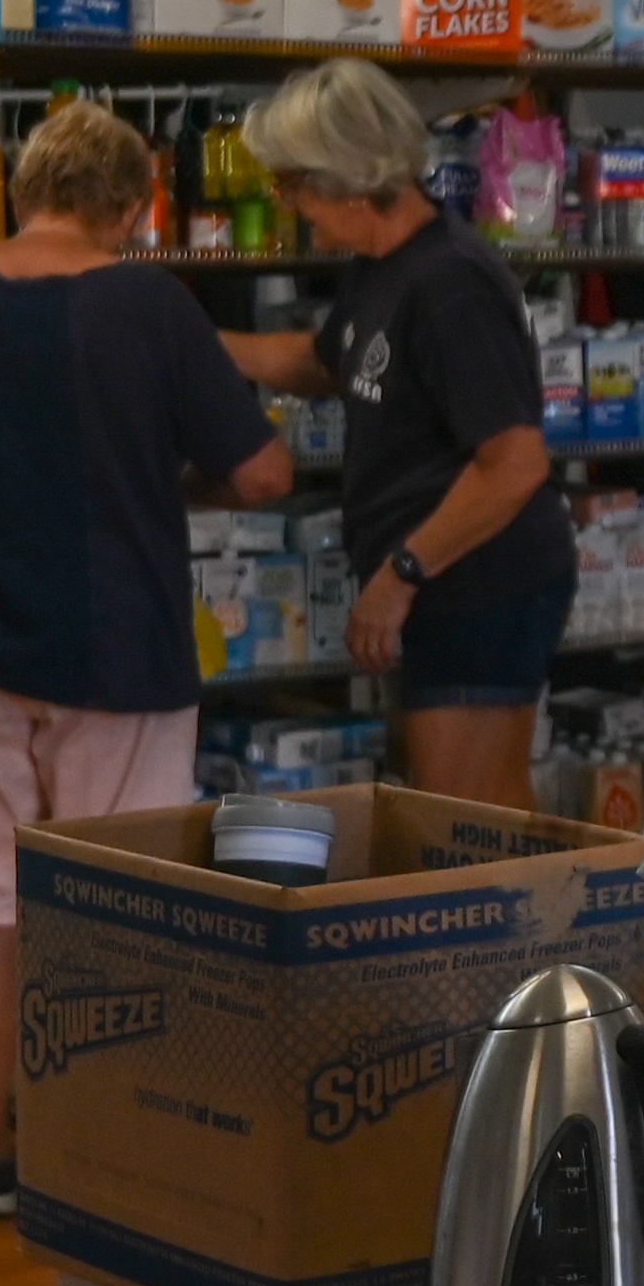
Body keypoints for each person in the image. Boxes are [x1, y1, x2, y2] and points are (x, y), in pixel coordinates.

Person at [0, 96, 288, 1221]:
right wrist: (165, 475)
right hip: (112, 642)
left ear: (21, 189)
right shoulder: (148, 306)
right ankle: (103, 1156)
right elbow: (260, 476)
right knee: (113, 900)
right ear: (130, 204)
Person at [219, 59, 568, 809]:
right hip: (441, 584)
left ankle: (508, 933)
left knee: (470, 823)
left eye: (293, 184)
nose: (290, 206)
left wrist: (399, 574)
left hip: (479, 582)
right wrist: (191, 339)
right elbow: (322, 363)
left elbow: (513, 463)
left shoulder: (452, 284)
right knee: (455, 814)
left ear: (345, 175)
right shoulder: (382, 266)